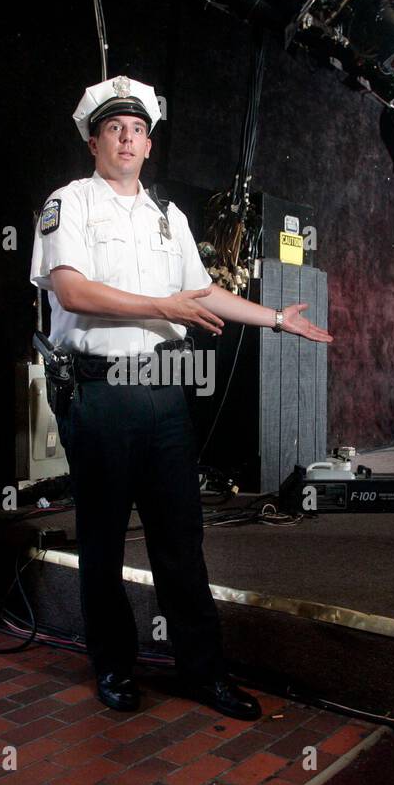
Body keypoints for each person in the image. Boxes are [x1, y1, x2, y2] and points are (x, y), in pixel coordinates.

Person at [29, 75, 332, 720]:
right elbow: (72, 292)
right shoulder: (70, 203)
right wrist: (161, 306)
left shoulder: (170, 218)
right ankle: (114, 668)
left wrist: (276, 319)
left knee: (180, 542)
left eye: (138, 129)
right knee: (104, 542)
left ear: (149, 144)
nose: (128, 138)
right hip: (99, 395)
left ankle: (203, 672)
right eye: (115, 129)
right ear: (94, 141)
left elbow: (201, 296)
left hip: (161, 395)